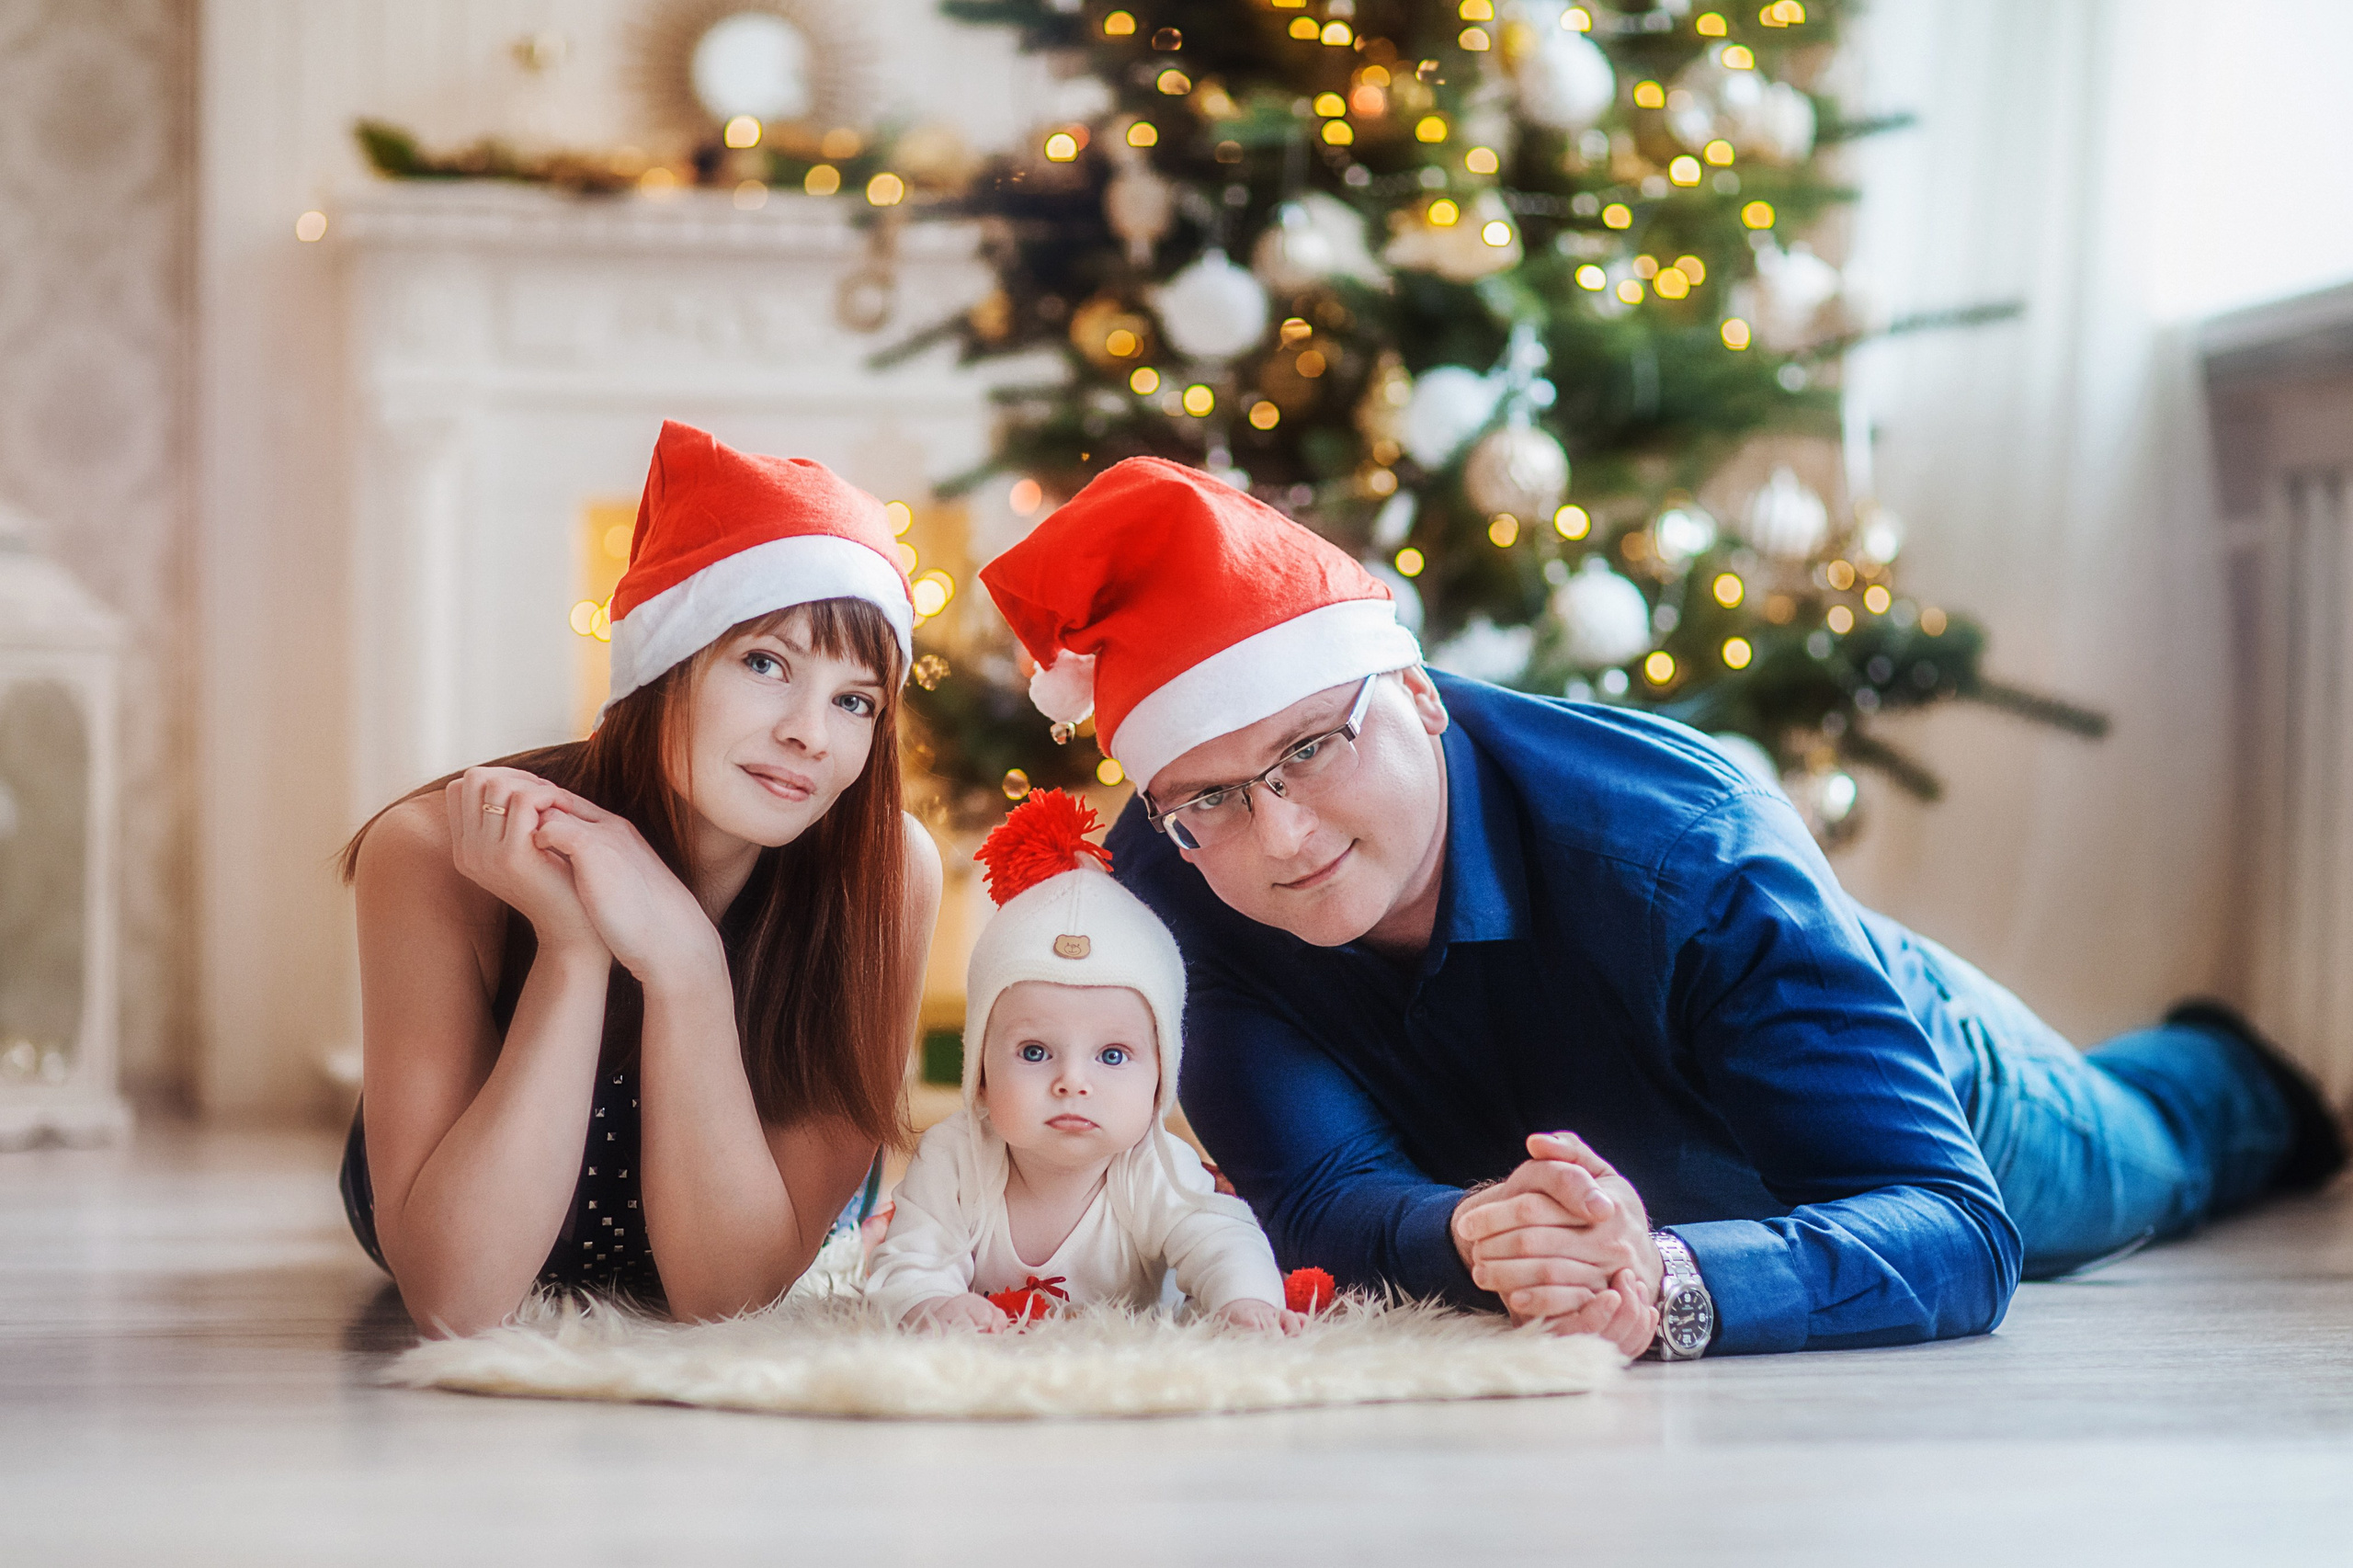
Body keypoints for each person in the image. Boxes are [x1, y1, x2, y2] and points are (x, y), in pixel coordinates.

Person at [976, 457, 2347, 1360]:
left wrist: (1670, 1284)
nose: (1276, 834)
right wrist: (1470, 1233)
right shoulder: (1177, 877)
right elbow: (1321, 1186)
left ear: (1418, 692)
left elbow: (1955, 1223)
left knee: (2152, 1154)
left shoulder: (1685, 851)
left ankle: (2239, 1070)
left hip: (1908, 1089)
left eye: (1311, 749)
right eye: (1207, 794)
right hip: (1586, 1173)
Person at [338, 421, 941, 1338]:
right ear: (663, 665)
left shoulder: (884, 870)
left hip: (755, 1218)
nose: (811, 735)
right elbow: (457, 1297)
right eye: (766, 662)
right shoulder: (437, 849)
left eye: (854, 699)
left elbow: (725, 1294)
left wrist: (686, 962)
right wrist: (572, 944)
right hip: (456, 1209)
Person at [865, 790, 1298, 1334]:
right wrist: (932, 1303)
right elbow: (908, 1262)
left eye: (1112, 1055)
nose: (1072, 1082)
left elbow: (1221, 1237)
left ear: (1160, 1078)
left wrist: (1243, 1301)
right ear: (979, 1072)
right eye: (1034, 1052)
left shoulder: (1152, 1166)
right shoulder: (955, 1158)